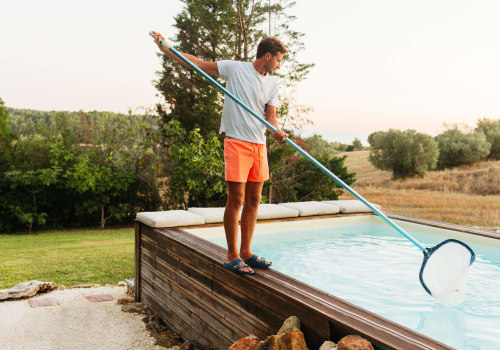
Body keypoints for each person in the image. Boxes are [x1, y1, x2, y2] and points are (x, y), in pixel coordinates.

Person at [151, 32, 288, 275]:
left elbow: (271, 117)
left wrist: (277, 131)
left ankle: (246, 252)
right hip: (237, 142)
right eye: (278, 60)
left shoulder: (273, 84)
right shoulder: (235, 69)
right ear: (267, 56)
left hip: (259, 145)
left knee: (254, 200)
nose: (279, 65)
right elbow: (199, 64)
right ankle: (232, 255)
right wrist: (168, 49)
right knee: (236, 200)